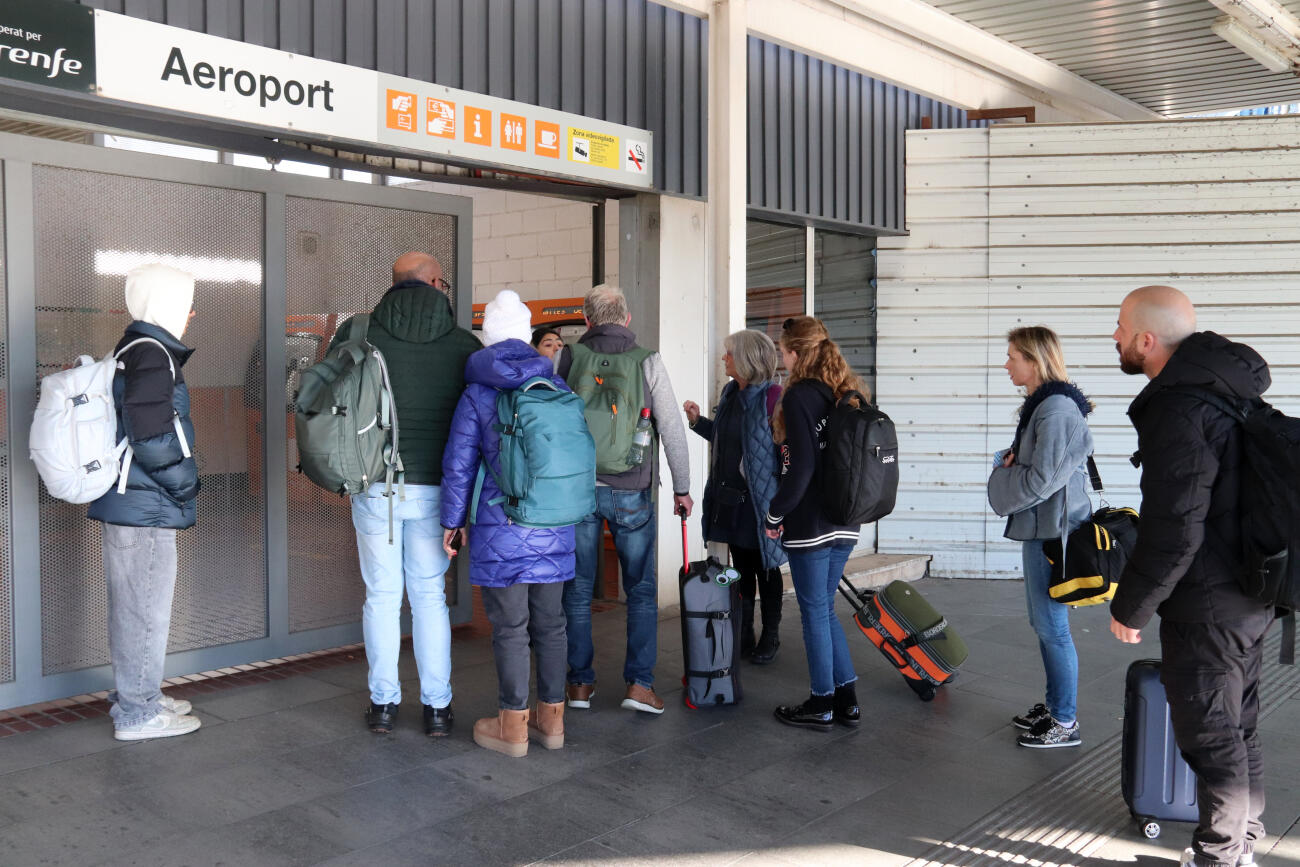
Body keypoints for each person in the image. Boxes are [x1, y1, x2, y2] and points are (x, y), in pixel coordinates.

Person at [1107, 285, 1273, 867]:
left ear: (1147, 340)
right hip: (1246, 593)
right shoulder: (1223, 388)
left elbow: (1176, 522)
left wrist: (1133, 604)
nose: (1116, 337)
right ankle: (1240, 846)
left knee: (1210, 736)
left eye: (1122, 328)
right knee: (1237, 726)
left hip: (1206, 604)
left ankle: (1219, 855)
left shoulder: (1180, 405)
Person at [331, 252, 479, 737]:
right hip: (439, 491)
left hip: (377, 485)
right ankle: (437, 709)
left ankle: (384, 705)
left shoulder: (359, 333)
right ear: (436, 283)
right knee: (430, 597)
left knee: (381, 596)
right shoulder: (463, 344)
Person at [440, 290, 574, 757]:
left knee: (512, 627)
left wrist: (453, 522)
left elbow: (459, 465)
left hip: (502, 526)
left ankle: (513, 726)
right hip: (555, 522)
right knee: (552, 624)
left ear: (487, 338)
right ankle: (552, 723)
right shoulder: (556, 387)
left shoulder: (478, 392)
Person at [558, 284, 693, 714]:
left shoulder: (568, 357)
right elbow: (671, 428)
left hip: (578, 489)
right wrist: (683, 488)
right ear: (627, 319)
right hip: (632, 489)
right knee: (640, 587)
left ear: (587, 320)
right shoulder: (647, 361)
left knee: (577, 589)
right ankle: (639, 686)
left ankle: (579, 685)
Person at [88, 263, 202, 741]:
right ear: (167, 305)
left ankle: (137, 694)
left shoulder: (134, 346)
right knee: (144, 609)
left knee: (133, 605)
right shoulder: (154, 354)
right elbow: (151, 433)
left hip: (131, 501)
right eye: (186, 304)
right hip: (146, 504)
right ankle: (138, 712)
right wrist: (185, 483)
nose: (192, 314)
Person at [987, 326, 1094, 749]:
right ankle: (1054, 707)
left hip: (1053, 532)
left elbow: (1042, 480)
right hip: (1045, 528)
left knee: (1053, 626)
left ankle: (1065, 721)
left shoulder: (1056, 410)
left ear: (1034, 360)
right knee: (1044, 623)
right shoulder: (1045, 406)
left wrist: (1005, 473)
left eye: (1013, 356)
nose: (1007, 364)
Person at [763, 316, 863, 731]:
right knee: (824, 610)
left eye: (783, 351)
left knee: (813, 613)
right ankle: (847, 700)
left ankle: (821, 702)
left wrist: (774, 512)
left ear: (796, 353)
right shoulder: (844, 393)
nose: (781, 360)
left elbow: (800, 469)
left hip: (811, 525)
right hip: (845, 520)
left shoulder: (801, 397)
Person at [683, 329, 786, 664]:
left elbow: (783, 450)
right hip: (732, 503)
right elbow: (726, 438)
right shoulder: (730, 392)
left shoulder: (772, 397)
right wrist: (699, 423)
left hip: (760, 504)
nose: (724, 358)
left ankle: (770, 636)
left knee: (767, 571)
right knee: (741, 570)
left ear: (746, 359)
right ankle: (744, 632)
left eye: (729, 353)